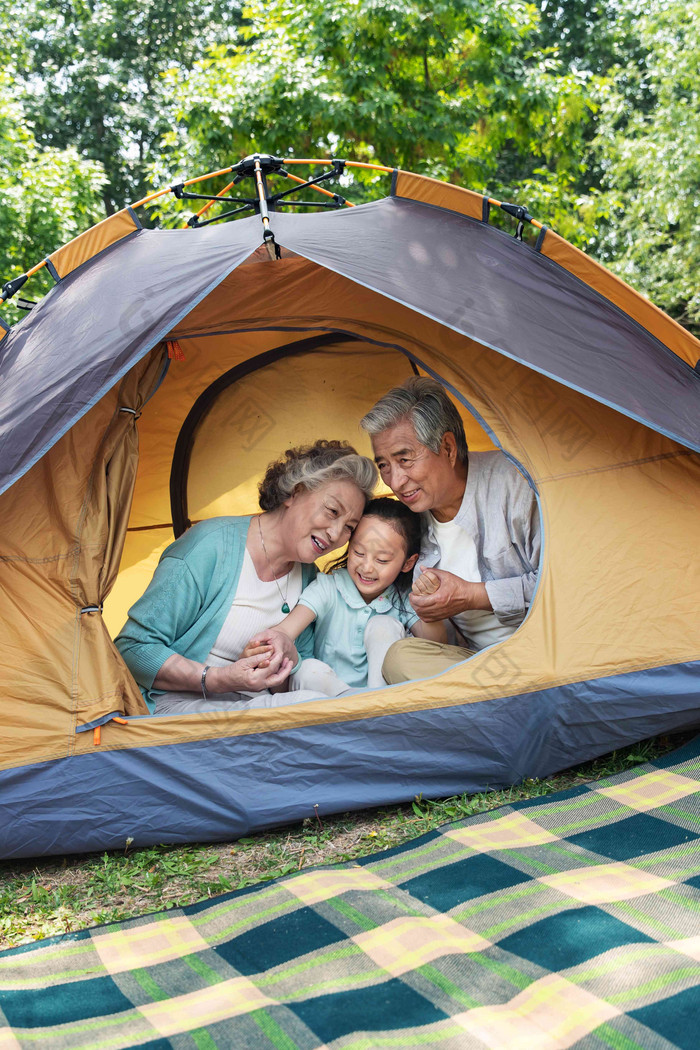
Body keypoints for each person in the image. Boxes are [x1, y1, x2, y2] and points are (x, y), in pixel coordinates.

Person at [115, 440, 377, 713]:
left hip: (255, 708)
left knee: (315, 701)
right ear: (294, 493)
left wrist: (277, 663)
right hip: (175, 706)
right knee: (309, 709)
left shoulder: (310, 577)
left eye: (349, 527)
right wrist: (220, 679)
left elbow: (299, 675)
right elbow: (133, 648)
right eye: (332, 511)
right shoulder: (210, 546)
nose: (336, 534)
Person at [359, 376, 540, 683]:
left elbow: (566, 587)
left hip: (549, 651)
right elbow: (444, 641)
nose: (395, 481)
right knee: (401, 658)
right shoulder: (412, 523)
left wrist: (472, 596)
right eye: (384, 465)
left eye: (404, 459)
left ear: (448, 448)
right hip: (479, 668)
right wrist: (430, 615)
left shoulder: (514, 484)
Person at [253, 497, 448, 695]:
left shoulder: (404, 598)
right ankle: (356, 705)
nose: (366, 567)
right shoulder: (328, 587)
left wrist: (428, 604)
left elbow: (437, 647)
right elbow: (287, 630)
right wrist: (272, 642)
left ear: (407, 563)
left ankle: (376, 701)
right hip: (327, 698)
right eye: (358, 552)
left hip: (384, 698)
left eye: (382, 560)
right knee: (308, 671)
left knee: (383, 625)